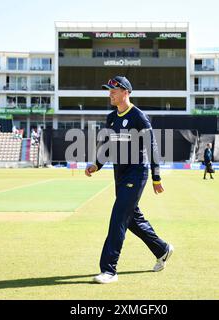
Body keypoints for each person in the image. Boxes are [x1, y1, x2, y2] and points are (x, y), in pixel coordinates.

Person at [85, 76, 173, 284]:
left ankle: (109, 270)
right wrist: (96, 164)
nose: (110, 94)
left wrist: (156, 177)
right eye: (109, 91)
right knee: (132, 219)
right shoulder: (111, 118)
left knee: (117, 218)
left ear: (125, 92)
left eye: (113, 91)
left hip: (137, 173)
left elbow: (152, 147)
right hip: (120, 174)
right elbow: (107, 145)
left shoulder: (139, 117)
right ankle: (162, 249)